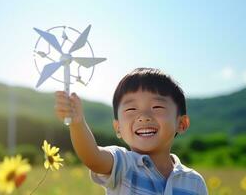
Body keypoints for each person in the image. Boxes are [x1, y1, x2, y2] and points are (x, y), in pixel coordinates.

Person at [54, 67, 208, 195]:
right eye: (131, 109)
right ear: (118, 127)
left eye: (157, 107)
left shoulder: (194, 182)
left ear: (181, 123)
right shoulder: (123, 164)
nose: (143, 117)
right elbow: (93, 157)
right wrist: (77, 123)